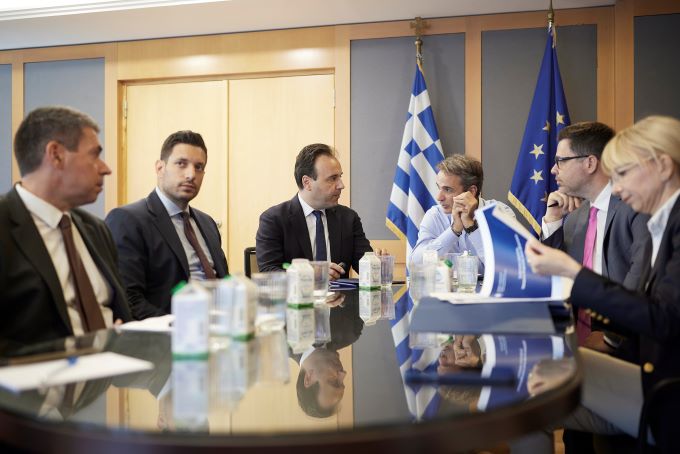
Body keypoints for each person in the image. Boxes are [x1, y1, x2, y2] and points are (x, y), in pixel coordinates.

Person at [525, 115, 680, 453]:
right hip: (646, 370)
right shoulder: (659, 221)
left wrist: (576, 276)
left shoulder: (659, 220)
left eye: (622, 173)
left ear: (664, 167)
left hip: (663, 390)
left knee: (530, 402)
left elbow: (663, 317)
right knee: (534, 379)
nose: (617, 188)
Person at [0, 106, 132, 352]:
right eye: (94, 155)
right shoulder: (4, 225)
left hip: (112, 370)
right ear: (56, 155)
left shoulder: (96, 229)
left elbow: (120, 313)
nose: (105, 168)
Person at [542, 121, 649, 353]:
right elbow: (553, 277)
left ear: (590, 163)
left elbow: (641, 277)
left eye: (560, 161)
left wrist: (613, 338)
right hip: (575, 340)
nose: (553, 170)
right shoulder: (575, 216)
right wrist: (553, 220)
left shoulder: (635, 205)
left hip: (625, 342)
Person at [105, 130, 228, 319]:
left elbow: (223, 283)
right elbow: (129, 300)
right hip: (170, 329)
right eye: (181, 164)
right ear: (160, 168)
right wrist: (181, 327)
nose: (191, 175)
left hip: (221, 326)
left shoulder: (208, 223)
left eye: (199, 167)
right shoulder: (128, 220)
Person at [256, 143, 380, 279]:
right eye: (333, 178)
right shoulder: (274, 219)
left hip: (340, 293)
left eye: (340, 177)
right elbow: (269, 272)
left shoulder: (348, 218)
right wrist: (310, 275)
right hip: (297, 293)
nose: (341, 185)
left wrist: (376, 264)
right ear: (307, 182)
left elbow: (364, 266)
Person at [411, 155, 514, 265]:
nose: (439, 197)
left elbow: (505, 266)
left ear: (471, 191)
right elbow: (416, 262)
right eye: (439, 188)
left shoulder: (500, 213)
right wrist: (454, 230)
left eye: (448, 190)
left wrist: (471, 226)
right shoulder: (435, 215)